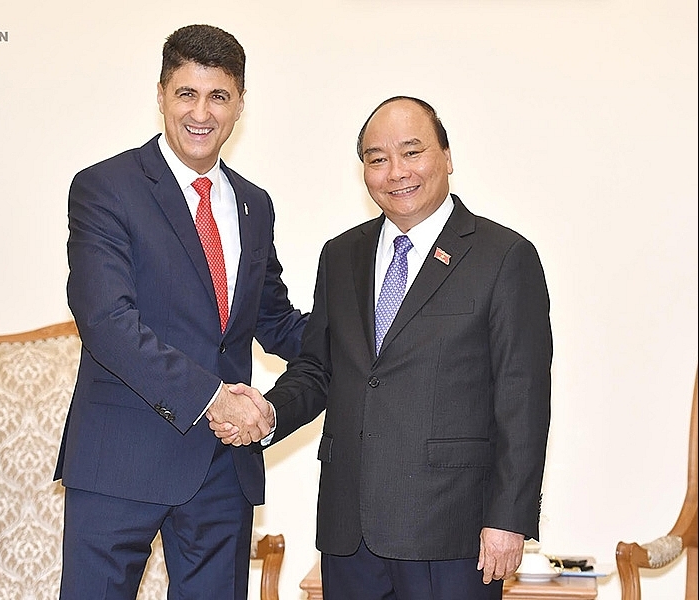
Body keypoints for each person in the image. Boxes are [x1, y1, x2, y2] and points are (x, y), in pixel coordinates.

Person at [214, 96, 552, 599]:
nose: (396, 172)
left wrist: (508, 519)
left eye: (412, 152)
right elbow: (319, 368)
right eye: (378, 159)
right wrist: (269, 412)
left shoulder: (504, 257)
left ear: (447, 157)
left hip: (452, 533)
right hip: (350, 534)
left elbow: (523, 400)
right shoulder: (341, 254)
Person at [54, 24, 307, 600]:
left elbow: (272, 320)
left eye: (218, 96)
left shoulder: (254, 204)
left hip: (222, 467)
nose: (201, 112)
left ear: (239, 103)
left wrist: (371, 337)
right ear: (161, 94)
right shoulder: (105, 188)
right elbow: (107, 323)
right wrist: (213, 398)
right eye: (186, 93)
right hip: (121, 458)